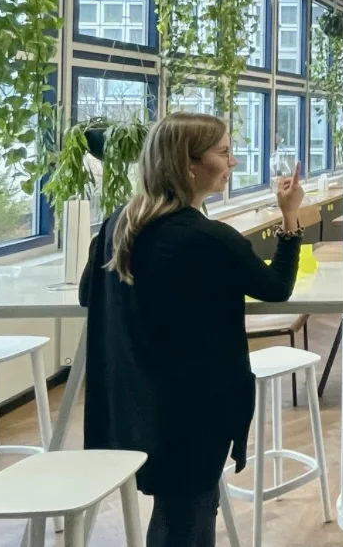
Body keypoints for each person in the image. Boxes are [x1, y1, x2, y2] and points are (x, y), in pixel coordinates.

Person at [80, 112, 305, 547]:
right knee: (187, 515)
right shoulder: (208, 238)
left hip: (130, 402)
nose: (233, 162)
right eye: (224, 152)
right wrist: (289, 216)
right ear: (188, 164)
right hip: (192, 412)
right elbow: (276, 287)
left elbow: (89, 294)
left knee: (180, 511)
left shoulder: (117, 225)